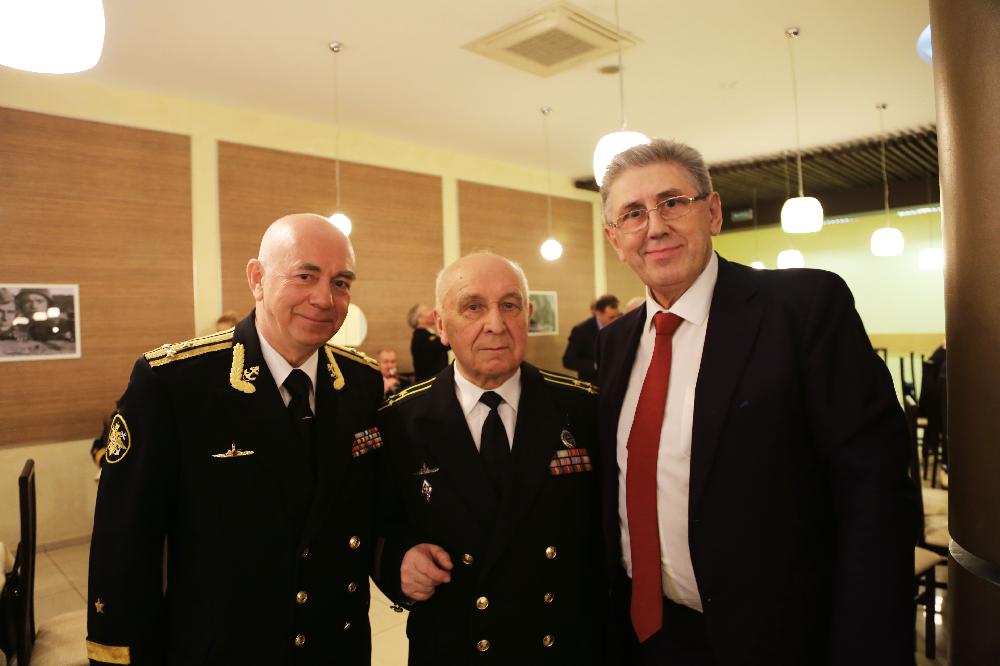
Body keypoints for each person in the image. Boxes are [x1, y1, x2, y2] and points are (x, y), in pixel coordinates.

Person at [596, 140, 917, 665]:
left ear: (713, 212)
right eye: (633, 213)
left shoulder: (803, 309)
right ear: (615, 239)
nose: (654, 227)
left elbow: (874, 492)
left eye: (672, 202)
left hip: (778, 638)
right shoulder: (613, 344)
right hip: (650, 635)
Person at [87, 213, 384, 665]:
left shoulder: (361, 382)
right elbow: (124, 541)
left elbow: (371, 505)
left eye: (341, 283)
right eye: (305, 276)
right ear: (257, 279)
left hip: (337, 647)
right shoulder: (175, 384)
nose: (325, 298)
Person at [375, 252, 606, 664]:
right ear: (440, 325)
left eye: (510, 305)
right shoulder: (400, 421)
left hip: (561, 645)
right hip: (455, 647)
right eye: (473, 307)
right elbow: (374, 524)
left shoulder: (583, 409)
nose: (496, 324)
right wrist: (399, 563)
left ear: (527, 316)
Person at [562, 294, 620, 383]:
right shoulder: (581, 331)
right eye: (611, 317)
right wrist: (595, 365)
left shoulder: (620, 326)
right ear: (598, 314)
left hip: (615, 381)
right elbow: (568, 360)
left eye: (618, 316)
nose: (616, 321)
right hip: (593, 383)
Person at [408, 303, 449, 381]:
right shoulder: (421, 337)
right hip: (429, 384)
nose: (432, 311)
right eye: (427, 310)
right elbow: (446, 344)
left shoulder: (426, 335)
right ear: (419, 319)